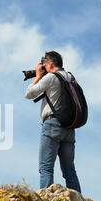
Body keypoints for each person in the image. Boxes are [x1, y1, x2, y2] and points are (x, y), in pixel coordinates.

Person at [24, 51, 81, 193]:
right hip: (69, 128)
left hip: (52, 126)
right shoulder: (70, 77)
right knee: (69, 170)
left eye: (44, 66)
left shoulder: (51, 78)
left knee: (46, 167)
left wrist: (37, 76)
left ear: (50, 64)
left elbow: (29, 94)